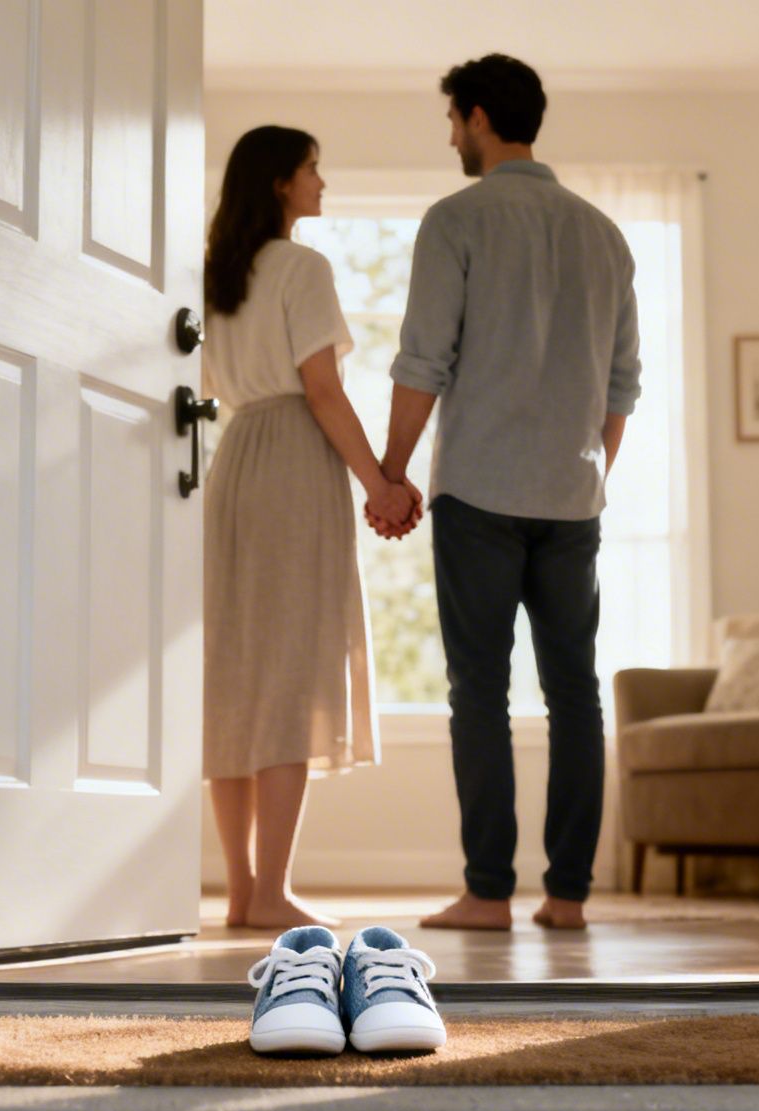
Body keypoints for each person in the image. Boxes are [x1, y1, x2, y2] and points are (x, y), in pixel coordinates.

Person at [374, 55, 641, 932]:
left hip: (481, 493)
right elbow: (621, 386)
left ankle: (487, 893)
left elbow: (423, 360)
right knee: (576, 694)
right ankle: (567, 898)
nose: (451, 135)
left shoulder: (457, 219)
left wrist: (390, 471)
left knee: (479, 691)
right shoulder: (604, 234)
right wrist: (590, 473)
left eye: (453, 119)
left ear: (481, 117)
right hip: (574, 498)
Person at [202, 126, 425, 930]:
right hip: (293, 460)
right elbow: (323, 393)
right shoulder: (302, 267)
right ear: (278, 184)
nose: (321, 184)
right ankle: (272, 893)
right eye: (311, 171)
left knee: (235, 680)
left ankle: (239, 890)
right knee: (289, 676)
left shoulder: (215, 275)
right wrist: (382, 486)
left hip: (233, 463)